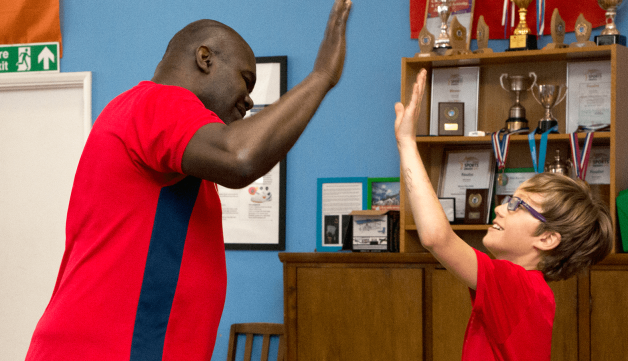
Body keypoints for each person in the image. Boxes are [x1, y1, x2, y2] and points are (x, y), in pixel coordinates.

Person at [25, 1, 352, 360]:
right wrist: (321, 76)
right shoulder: (158, 102)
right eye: (246, 79)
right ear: (204, 58)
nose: (249, 100)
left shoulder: (161, 136)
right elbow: (240, 158)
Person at [394, 69, 613, 360]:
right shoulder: (524, 289)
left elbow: (437, 237)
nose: (499, 208)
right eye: (508, 200)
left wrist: (407, 142)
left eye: (516, 205)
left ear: (547, 238)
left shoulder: (520, 288)